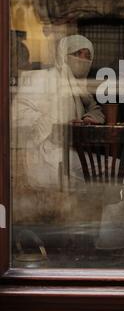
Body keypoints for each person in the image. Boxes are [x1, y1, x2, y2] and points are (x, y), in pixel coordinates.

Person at [12, 34, 105, 197]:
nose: (83, 60)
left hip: (74, 153)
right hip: (46, 155)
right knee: (119, 177)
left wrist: (87, 119)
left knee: (118, 174)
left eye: (87, 56)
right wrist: (53, 125)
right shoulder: (43, 78)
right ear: (63, 55)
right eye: (77, 54)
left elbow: (95, 108)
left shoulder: (78, 87)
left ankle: (109, 222)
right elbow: (18, 115)